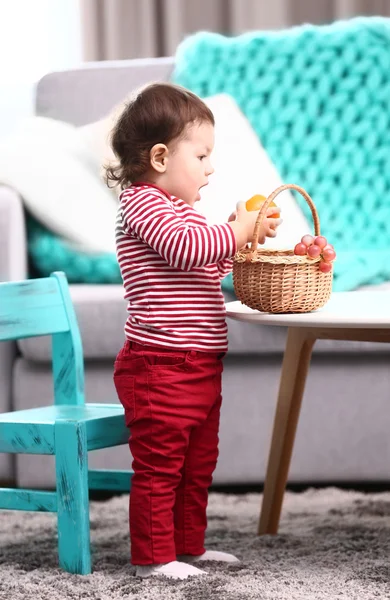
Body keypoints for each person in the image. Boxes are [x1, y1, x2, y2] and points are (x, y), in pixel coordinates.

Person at [105, 82, 281, 580]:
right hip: (159, 365)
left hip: (198, 365)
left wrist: (238, 233)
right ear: (160, 157)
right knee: (161, 468)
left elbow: (204, 262)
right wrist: (237, 229)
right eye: (201, 155)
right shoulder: (141, 204)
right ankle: (153, 557)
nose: (211, 167)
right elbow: (187, 249)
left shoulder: (181, 211)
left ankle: (188, 547)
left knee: (197, 466)